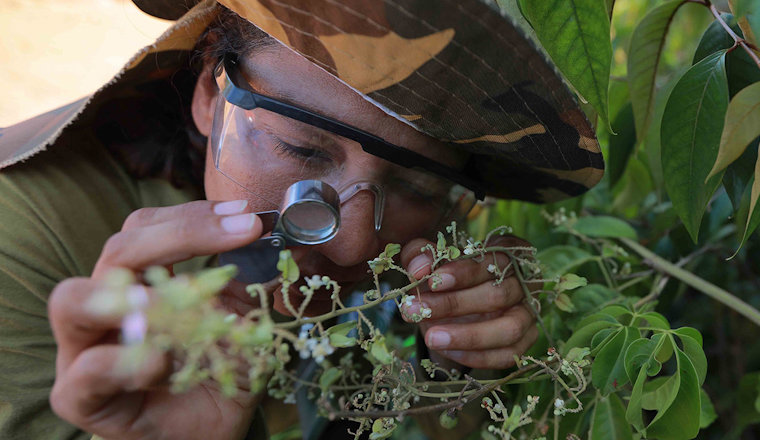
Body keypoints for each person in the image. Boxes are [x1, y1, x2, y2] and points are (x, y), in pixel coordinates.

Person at [0, 0, 603, 439]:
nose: (354, 244)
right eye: (301, 150)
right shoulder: (24, 232)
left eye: (415, 184)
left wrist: (460, 371)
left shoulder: (425, 241)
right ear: (210, 95)